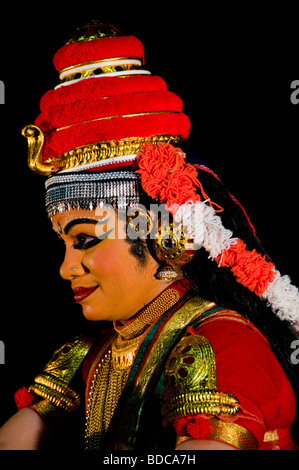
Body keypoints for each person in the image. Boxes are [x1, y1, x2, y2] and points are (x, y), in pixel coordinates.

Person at [0, 21, 298, 451]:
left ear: (162, 235)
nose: (66, 268)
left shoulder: (221, 348)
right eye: (63, 243)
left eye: (85, 240)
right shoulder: (98, 349)